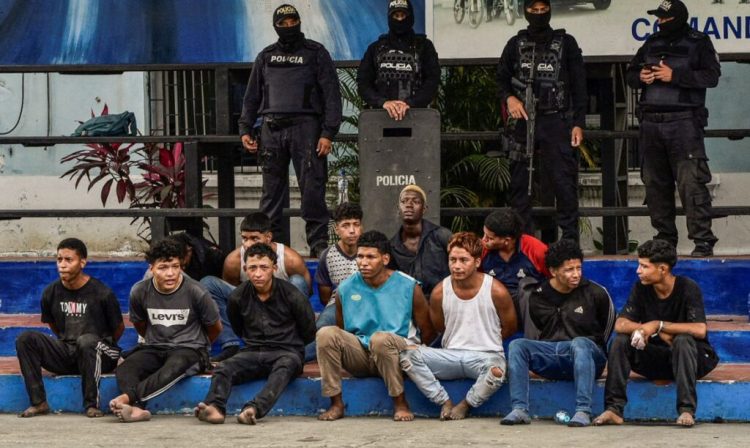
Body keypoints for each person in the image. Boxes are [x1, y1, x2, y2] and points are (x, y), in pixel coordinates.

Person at [238, 3, 342, 257]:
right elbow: (252, 96)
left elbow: (332, 96)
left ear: (299, 22)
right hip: (271, 128)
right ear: (275, 26)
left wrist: (328, 133)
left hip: (307, 128)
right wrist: (245, 129)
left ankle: (317, 244)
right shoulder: (266, 56)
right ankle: (270, 244)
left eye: (292, 21)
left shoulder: (316, 53)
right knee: (271, 192)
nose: (288, 26)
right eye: (282, 23)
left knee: (312, 189)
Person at [627, 0, 721, 257]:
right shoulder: (652, 42)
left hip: (684, 123)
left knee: (691, 183)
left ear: (677, 18)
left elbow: (711, 77)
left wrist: (675, 76)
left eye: (664, 18)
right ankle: (665, 241)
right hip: (651, 124)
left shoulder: (699, 42)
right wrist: (641, 78)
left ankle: (702, 242)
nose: (660, 22)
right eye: (658, 18)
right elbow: (631, 73)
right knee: (655, 185)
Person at [594, 240, 719, 428]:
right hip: (654, 358)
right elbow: (620, 324)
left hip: (690, 360)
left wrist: (658, 325)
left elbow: (699, 329)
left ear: (662, 269)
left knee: (683, 340)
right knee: (619, 341)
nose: (638, 270)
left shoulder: (687, 287)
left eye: (644, 266)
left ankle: (686, 410)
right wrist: (645, 329)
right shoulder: (641, 288)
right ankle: (614, 409)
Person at [316, 230, 435, 422]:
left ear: (385, 259)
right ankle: (336, 403)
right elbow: (342, 328)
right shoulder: (345, 288)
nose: (363, 262)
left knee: (380, 339)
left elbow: (428, 330)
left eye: (370, 257)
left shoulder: (409, 286)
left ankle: (400, 402)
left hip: (398, 355)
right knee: (326, 333)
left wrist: (415, 352)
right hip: (361, 356)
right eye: (360, 256)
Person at [495, 0, 587, 242]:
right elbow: (501, 80)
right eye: (533, 10)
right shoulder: (516, 44)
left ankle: (569, 241)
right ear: (525, 12)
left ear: (550, 10)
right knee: (519, 184)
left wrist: (579, 122)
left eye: (542, 10)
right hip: (524, 121)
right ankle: (522, 242)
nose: (538, 14)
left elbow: (579, 85)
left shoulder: (566, 43)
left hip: (557, 121)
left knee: (564, 183)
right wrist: (510, 99)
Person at [400, 232, 517, 420]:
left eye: (464, 260)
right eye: (452, 260)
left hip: (486, 356)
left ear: (477, 262)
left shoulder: (496, 290)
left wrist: (485, 340)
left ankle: (465, 405)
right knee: (407, 355)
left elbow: (510, 327)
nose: (457, 266)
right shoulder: (440, 292)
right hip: (450, 355)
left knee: (497, 371)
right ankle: (443, 401)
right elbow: (440, 327)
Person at [195, 243, 316, 425]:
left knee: (286, 366)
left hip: (287, 351)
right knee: (224, 367)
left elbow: (308, 330)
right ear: (245, 269)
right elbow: (238, 327)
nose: (258, 274)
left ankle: (253, 409)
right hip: (253, 351)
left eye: (264, 267)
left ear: (274, 268)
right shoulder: (238, 297)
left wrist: (292, 347)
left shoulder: (292, 295)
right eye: (252, 268)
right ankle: (215, 407)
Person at [501, 239, 614, 427]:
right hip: (552, 355)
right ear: (553, 271)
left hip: (588, 357)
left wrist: (589, 349)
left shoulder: (595, 292)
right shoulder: (538, 295)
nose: (576, 274)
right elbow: (537, 329)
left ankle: (583, 411)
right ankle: (519, 409)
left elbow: (607, 328)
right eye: (569, 270)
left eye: (579, 268)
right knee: (517, 345)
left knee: (581, 343)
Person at [110, 239, 221, 423]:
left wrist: (197, 346)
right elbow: (140, 324)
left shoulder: (196, 291)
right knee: (126, 368)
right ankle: (139, 410)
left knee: (175, 365)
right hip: (155, 347)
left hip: (190, 349)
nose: (170, 273)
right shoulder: (139, 291)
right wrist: (155, 341)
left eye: (175, 266)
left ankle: (129, 399)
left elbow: (215, 328)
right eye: (163, 268)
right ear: (151, 268)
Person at [15, 238, 124, 418]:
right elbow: (54, 325)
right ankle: (39, 402)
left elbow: (118, 328)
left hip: (101, 353)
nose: (62, 265)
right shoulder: (50, 292)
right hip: (68, 352)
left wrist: (93, 346)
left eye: (68, 260)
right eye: (59, 260)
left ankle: (91, 404)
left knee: (86, 341)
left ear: (82, 262)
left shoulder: (102, 293)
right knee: (25, 339)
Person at [200, 212, 311, 363]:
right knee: (208, 283)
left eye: (254, 238)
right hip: (252, 309)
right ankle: (231, 344)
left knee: (298, 281)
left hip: (284, 315)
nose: (248, 244)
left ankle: (294, 345)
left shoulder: (290, 259)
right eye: (245, 238)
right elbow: (233, 302)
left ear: (268, 237)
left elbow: (305, 296)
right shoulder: (234, 260)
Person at [357, 0, 440, 121]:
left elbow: (433, 80)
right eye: (396, 16)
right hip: (381, 118)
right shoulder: (375, 48)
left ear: (410, 16)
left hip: (417, 117)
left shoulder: (424, 47)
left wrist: (411, 103)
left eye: (403, 15)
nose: (400, 20)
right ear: (390, 18)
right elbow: (363, 83)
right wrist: (383, 103)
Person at [304, 202, 363, 362]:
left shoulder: (369, 251)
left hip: (367, 305)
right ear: (337, 229)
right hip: (337, 305)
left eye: (356, 225)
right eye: (345, 225)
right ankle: (293, 357)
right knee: (320, 330)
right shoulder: (327, 255)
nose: (352, 230)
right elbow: (325, 296)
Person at [481, 208, 550, 336]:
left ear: (506, 240)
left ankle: (532, 344)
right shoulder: (482, 250)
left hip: (528, 307)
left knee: (528, 286)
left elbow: (554, 279)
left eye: (489, 238)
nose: (483, 240)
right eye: (484, 234)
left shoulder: (536, 250)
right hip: (495, 306)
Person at [389, 184, 452, 299]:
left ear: (424, 209)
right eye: (404, 201)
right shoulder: (392, 246)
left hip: (442, 302)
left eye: (415, 201)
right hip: (410, 306)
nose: (408, 205)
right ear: (398, 208)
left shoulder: (441, 236)